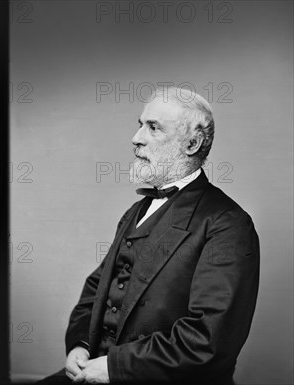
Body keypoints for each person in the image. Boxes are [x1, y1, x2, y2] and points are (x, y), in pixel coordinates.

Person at [41, 87, 259, 384]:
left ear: (192, 144)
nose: (136, 138)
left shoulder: (228, 224)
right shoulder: (135, 211)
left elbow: (210, 339)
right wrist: (80, 344)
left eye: (153, 127)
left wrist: (117, 367)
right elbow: (97, 288)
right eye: (140, 124)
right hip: (95, 370)